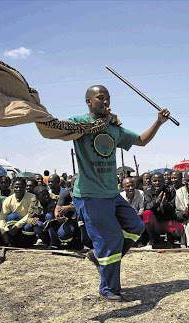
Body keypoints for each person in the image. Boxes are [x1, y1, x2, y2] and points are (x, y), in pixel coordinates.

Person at [69, 85, 171, 300]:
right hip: (90, 196)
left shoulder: (114, 128)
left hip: (110, 193)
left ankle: (100, 257)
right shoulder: (80, 123)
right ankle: (108, 288)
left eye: (108, 98)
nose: (106, 101)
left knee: (135, 226)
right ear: (89, 101)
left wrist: (158, 123)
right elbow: (55, 130)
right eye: (100, 98)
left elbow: (141, 141)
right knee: (111, 239)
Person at [143, 172, 182, 249]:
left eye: (159, 181)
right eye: (155, 181)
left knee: (179, 229)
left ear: (164, 181)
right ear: (151, 182)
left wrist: (165, 204)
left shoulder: (170, 190)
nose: (157, 183)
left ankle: (170, 240)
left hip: (167, 221)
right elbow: (147, 207)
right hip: (155, 223)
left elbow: (174, 209)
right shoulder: (147, 190)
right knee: (147, 213)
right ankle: (152, 240)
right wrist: (156, 202)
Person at [0, 178, 36, 247]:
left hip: (26, 222)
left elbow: (31, 214)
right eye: (16, 187)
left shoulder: (32, 198)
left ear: (25, 187)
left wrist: (17, 225)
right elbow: (2, 217)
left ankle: (28, 242)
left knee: (28, 227)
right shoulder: (8, 200)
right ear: (12, 187)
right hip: (14, 225)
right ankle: (13, 241)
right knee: (12, 217)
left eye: (21, 187)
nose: (18, 189)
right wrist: (4, 232)